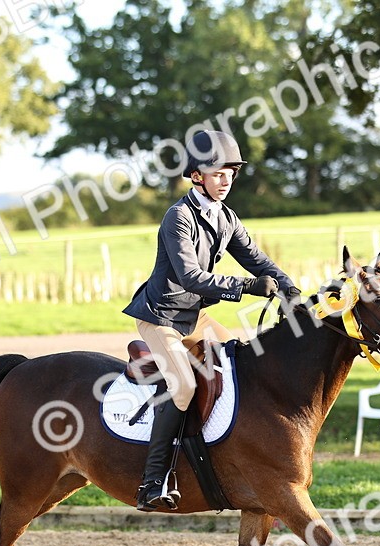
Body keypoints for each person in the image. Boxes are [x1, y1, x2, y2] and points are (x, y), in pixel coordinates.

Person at [123, 129, 301, 512]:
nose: (226, 181)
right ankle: (153, 481)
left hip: (195, 316)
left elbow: (258, 260)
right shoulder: (178, 217)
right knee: (184, 385)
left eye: (230, 173)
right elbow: (190, 277)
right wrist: (247, 286)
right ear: (196, 176)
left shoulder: (226, 217)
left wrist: (292, 291)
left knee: (239, 365)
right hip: (161, 317)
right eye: (218, 174)